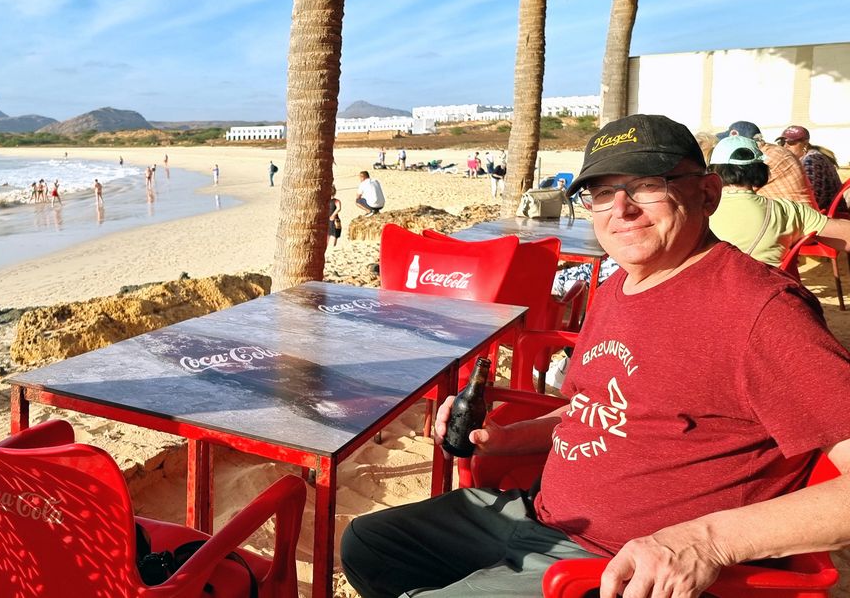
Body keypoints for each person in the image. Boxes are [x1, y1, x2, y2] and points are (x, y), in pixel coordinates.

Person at [341, 113, 850, 598]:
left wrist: (708, 542)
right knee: (366, 545)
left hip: (614, 566)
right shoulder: (617, 285)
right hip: (537, 515)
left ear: (708, 193)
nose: (621, 209)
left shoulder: (760, 311)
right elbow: (594, 407)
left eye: (649, 185)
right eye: (602, 192)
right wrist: (503, 438)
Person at [708, 135, 850, 266]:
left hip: (708, 290)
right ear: (760, 170)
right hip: (763, 289)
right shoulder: (789, 211)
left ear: (713, 171)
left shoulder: (699, 211)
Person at [781, 125, 842, 211]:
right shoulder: (809, 157)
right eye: (782, 142)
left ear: (805, 143)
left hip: (826, 215)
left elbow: (812, 197)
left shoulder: (812, 160)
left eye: (791, 142)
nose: (785, 146)